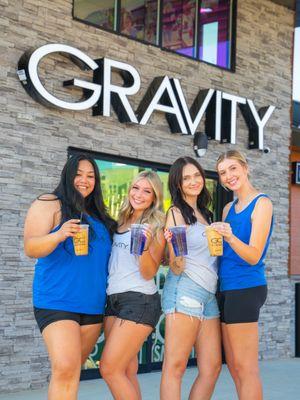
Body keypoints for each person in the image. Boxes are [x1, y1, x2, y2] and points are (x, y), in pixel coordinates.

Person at [24, 154, 116, 400]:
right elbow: (31, 247)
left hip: (93, 305)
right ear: (68, 174)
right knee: (64, 368)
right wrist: (59, 234)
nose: (84, 180)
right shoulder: (49, 203)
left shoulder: (99, 216)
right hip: (56, 300)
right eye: (78, 174)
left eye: (90, 176)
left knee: (72, 371)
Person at [211, 150, 273, 400]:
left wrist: (229, 236)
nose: (229, 176)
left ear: (245, 168)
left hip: (246, 288)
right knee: (235, 366)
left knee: (246, 368)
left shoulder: (262, 203)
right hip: (226, 288)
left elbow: (254, 255)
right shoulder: (228, 208)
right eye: (223, 173)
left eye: (233, 169)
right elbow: (225, 252)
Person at [99, 170, 165, 400]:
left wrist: (145, 246)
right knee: (126, 370)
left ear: (154, 197)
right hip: (113, 299)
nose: (139, 194)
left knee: (109, 368)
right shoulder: (120, 220)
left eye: (147, 191)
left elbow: (148, 273)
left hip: (139, 300)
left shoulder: (156, 225)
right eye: (136, 188)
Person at [160, 156, 221, 400]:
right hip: (185, 289)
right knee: (175, 367)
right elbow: (176, 266)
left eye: (197, 175)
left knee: (212, 367)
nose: (194, 181)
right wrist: (174, 246)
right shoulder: (175, 213)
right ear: (177, 184)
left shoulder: (206, 213)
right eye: (186, 178)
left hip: (209, 294)